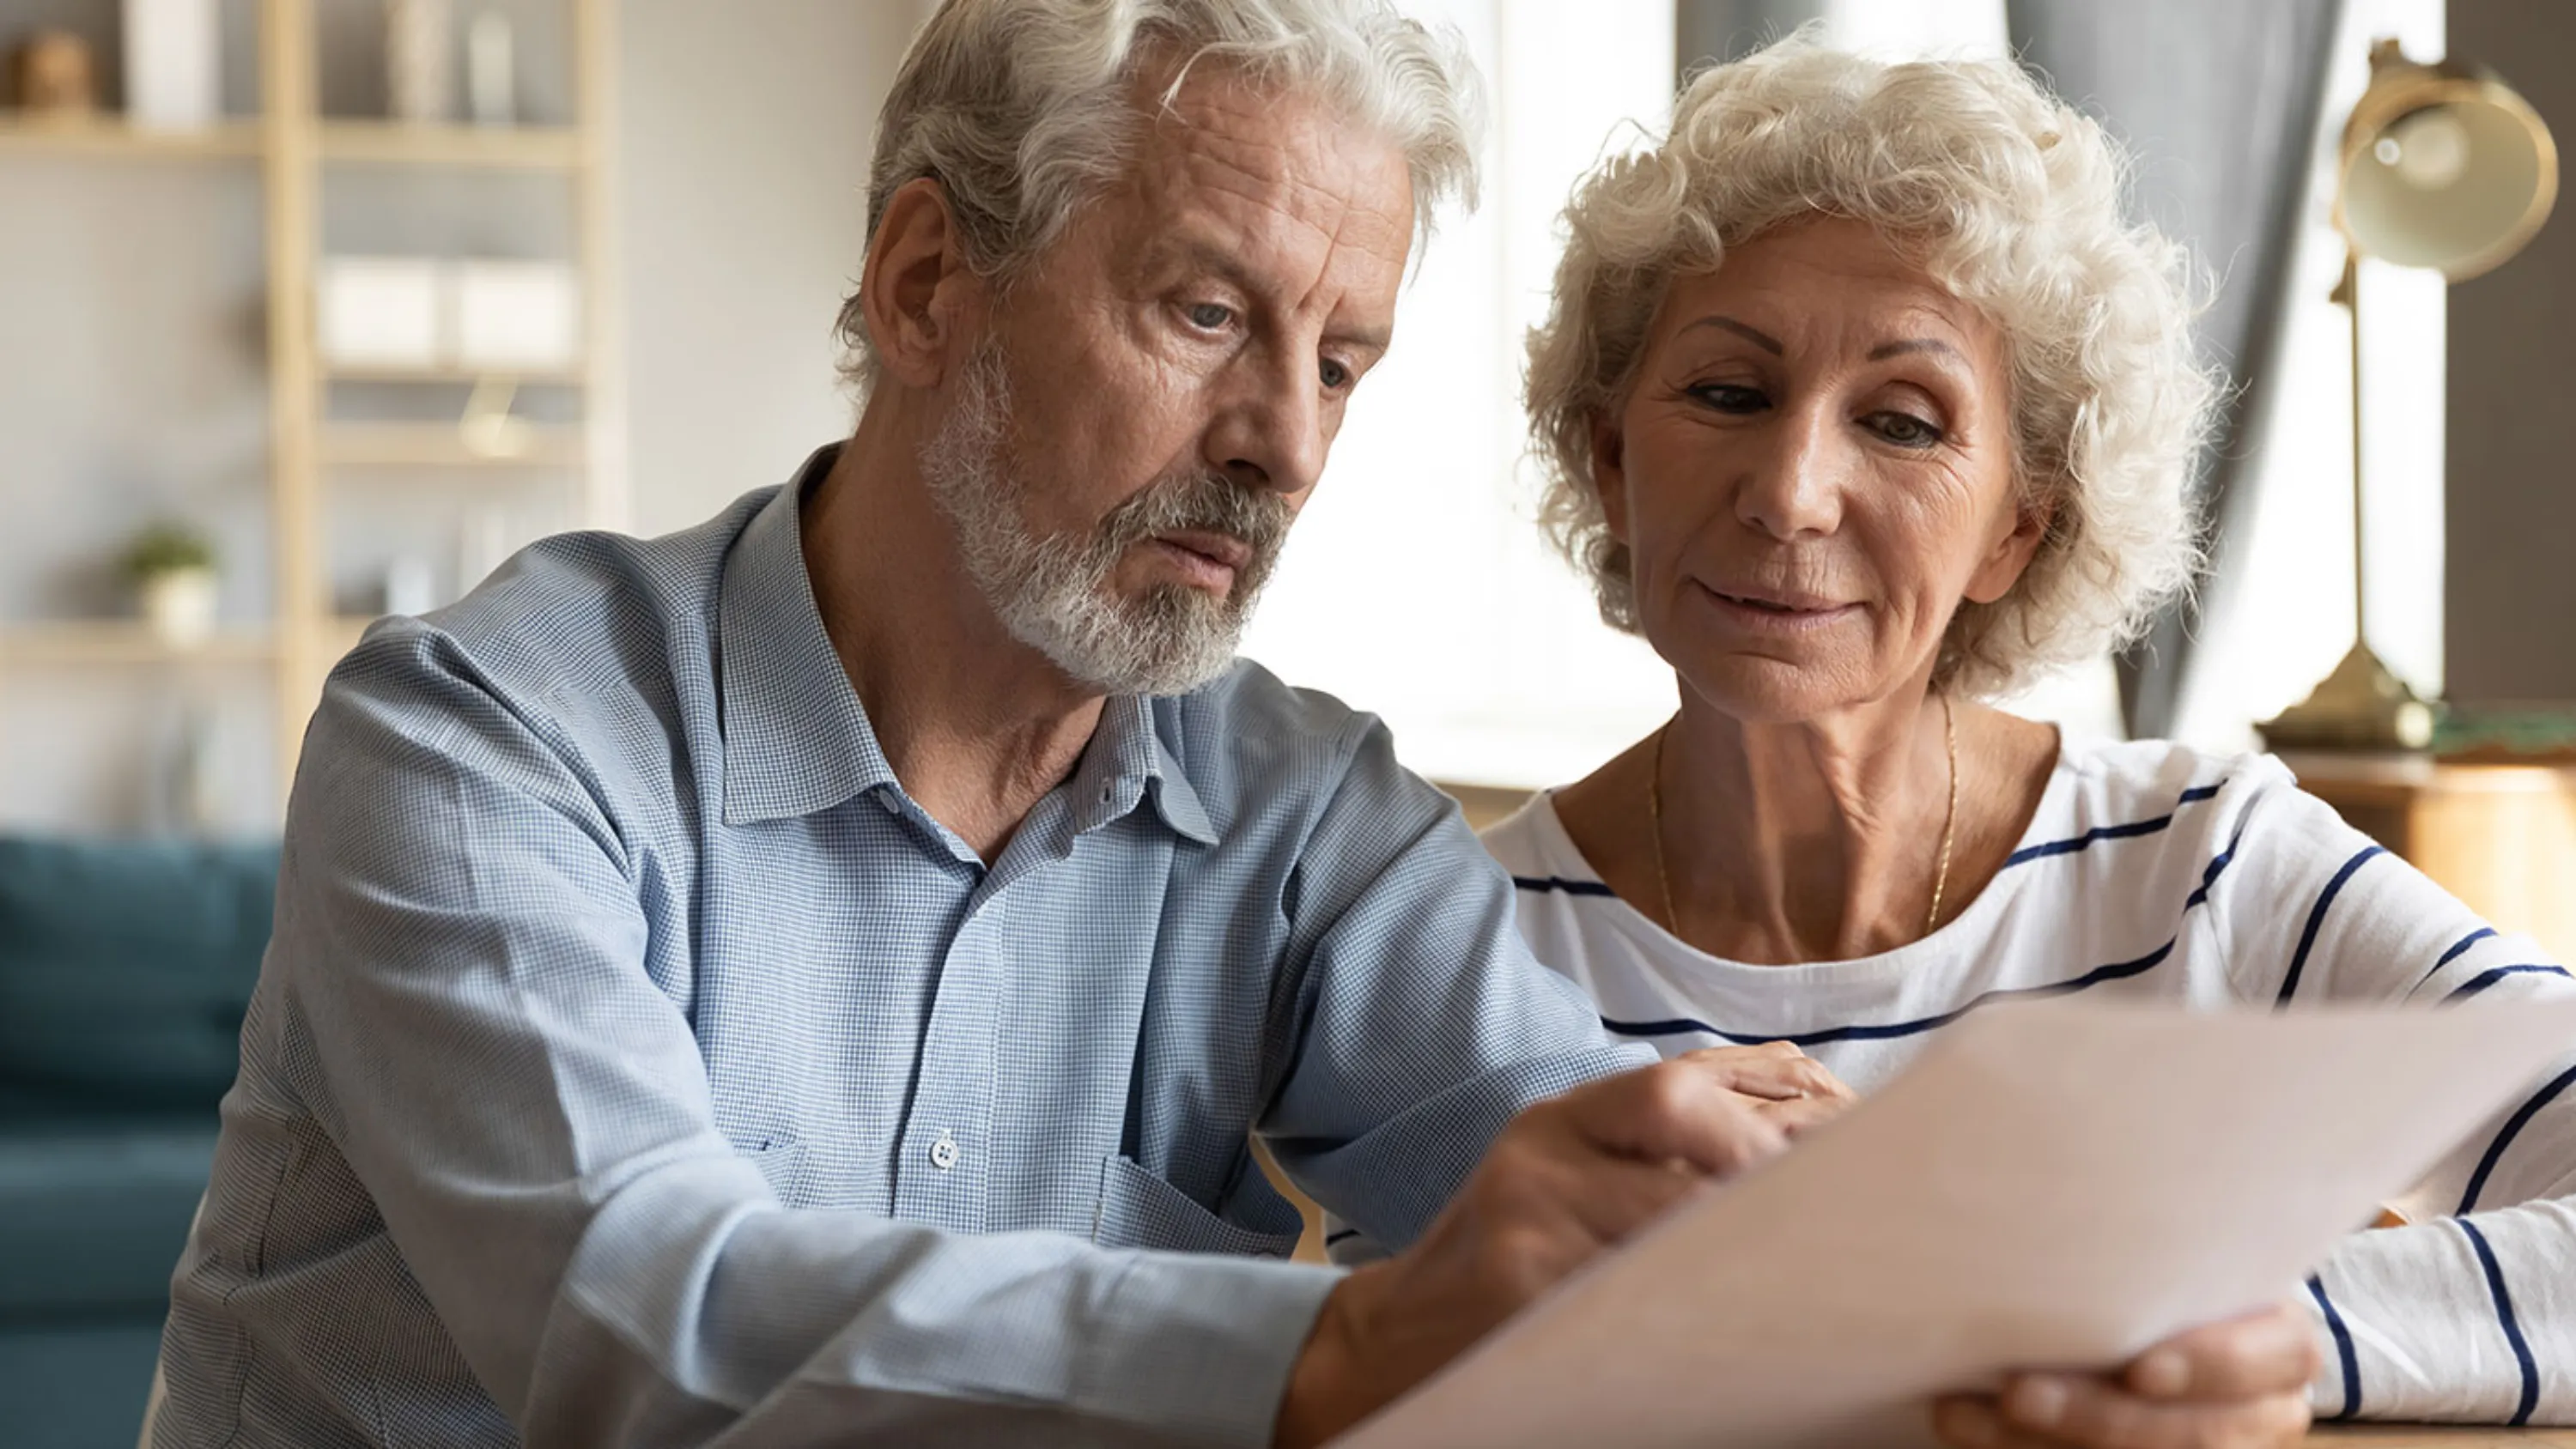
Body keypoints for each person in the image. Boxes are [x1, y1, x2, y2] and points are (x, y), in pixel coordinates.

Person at [153, 5, 2318, 1446]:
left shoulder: (1297, 816)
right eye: (1206, 312)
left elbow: (1643, 1213)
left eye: (1342, 360)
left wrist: (2072, 1340)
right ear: (926, 284)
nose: (1283, 440)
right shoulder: (482, 742)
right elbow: (635, 1323)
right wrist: (1346, 1342)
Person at [1492, 33, 2576, 1436]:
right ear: (1612, 460)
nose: (1792, 491)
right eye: (1728, 394)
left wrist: (2195, 1326)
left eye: (1902, 422)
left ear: (2018, 527)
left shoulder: (2206, 865)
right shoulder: (1455, 932)